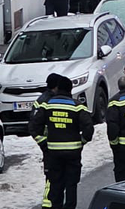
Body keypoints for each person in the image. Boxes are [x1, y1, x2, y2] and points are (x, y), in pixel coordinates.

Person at [30, 76, 94, 209]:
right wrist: (81, 141)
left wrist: (43, 143)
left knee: (55, 184)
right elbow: (89, 128)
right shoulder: (77, 107)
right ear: (70, 89)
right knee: (71, 184)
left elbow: (33, 127)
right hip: (73, 153)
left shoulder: (46, 105)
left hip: (53, 153)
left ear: (58, 89)